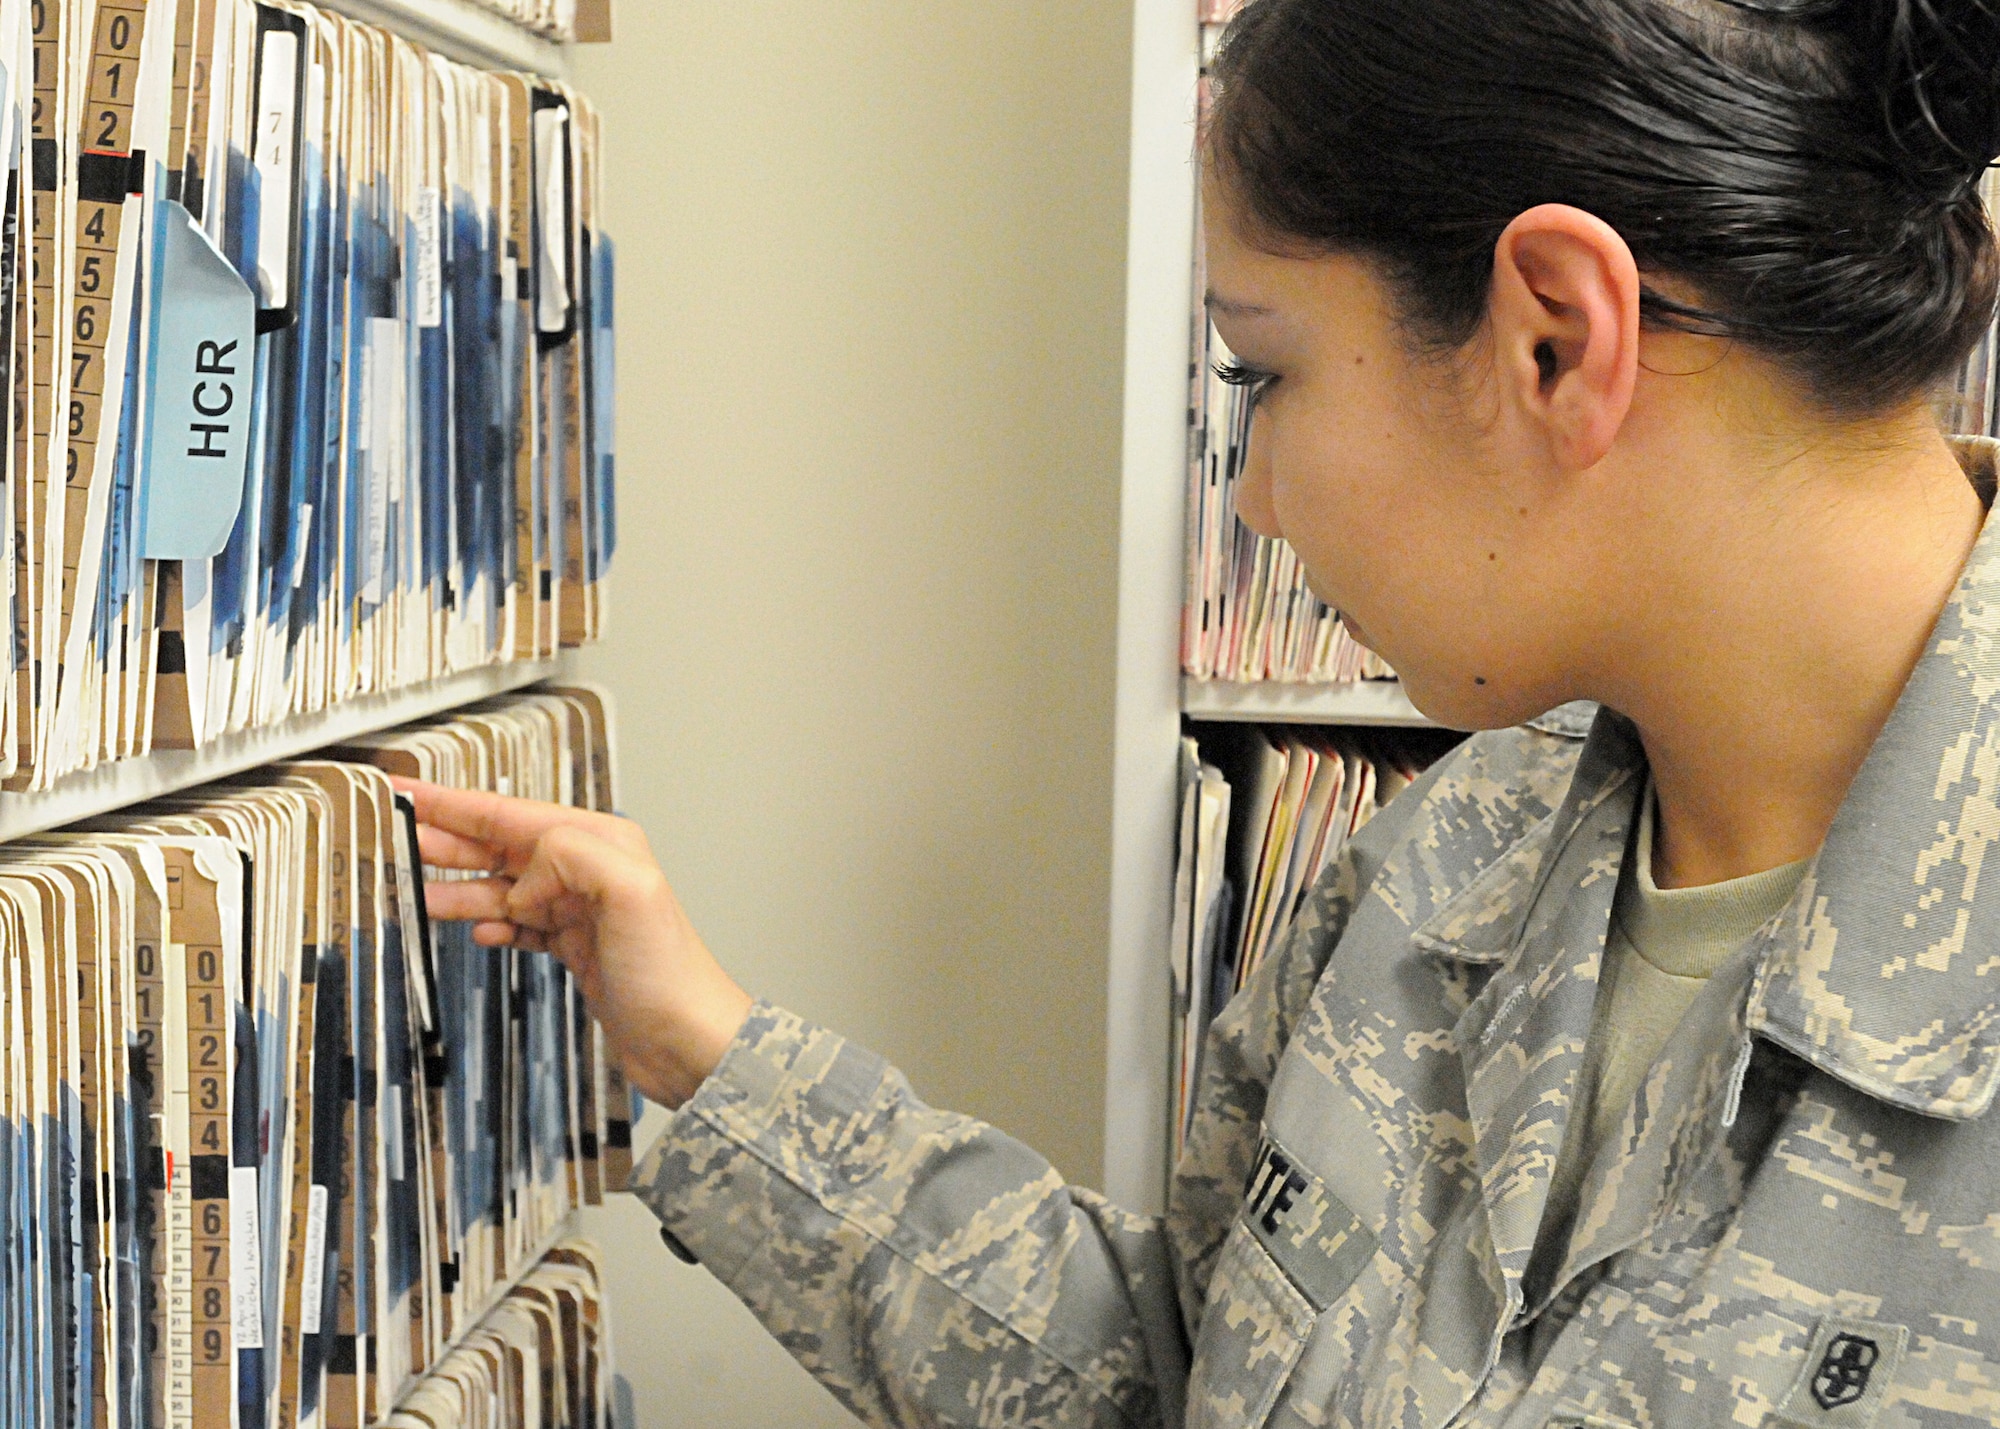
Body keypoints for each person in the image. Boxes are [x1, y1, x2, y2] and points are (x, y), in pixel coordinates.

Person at [403, 0, 2000, 1422]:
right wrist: (711, 1052)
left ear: (1555, 337)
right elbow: (1184, 1362)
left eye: (1264, 375)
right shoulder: (1447, 868)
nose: (1262, 501)